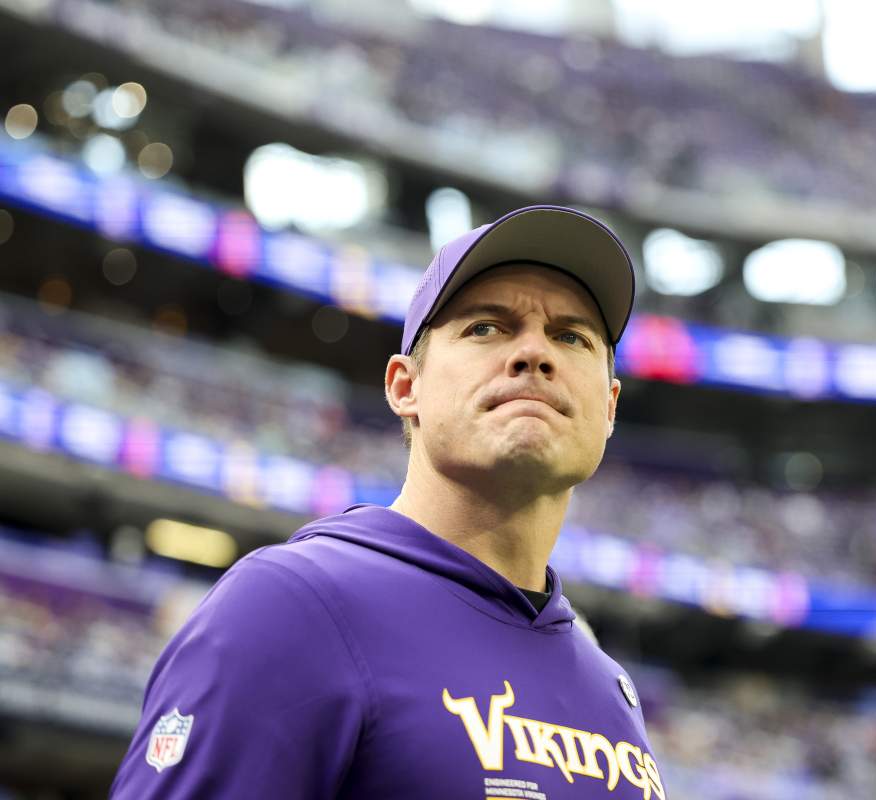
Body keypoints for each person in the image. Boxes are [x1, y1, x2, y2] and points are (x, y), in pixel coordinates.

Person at [111, 205, 667, 799]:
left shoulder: (610, 692)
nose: (535, 353)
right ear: (406, 387)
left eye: (571, 336)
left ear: (610, 407)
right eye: (486, 328)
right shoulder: (291, 605)